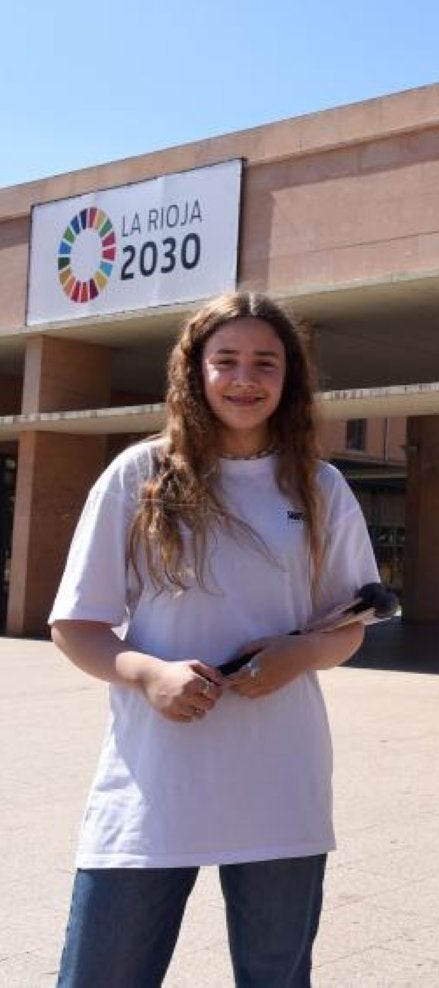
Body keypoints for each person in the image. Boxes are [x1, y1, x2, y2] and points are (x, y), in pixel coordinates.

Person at [49, 292, 380, 986]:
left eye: (265, 362)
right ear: (193, 371)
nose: (245, 379)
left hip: (280, 783)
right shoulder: (137, 477)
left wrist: (301, 655)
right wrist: (146, 674)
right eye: (225, 360)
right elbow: (75, 626)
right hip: (153, 781)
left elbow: (350, 623)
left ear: (289, 377)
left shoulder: (320, 487)